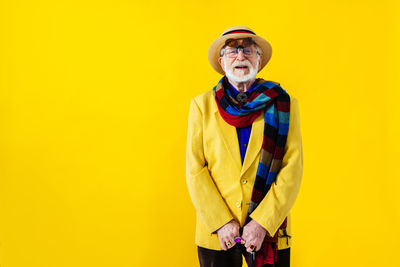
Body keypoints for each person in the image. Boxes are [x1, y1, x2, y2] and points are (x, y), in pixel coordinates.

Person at [186, 26, 303, 267]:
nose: (241, 56)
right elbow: (195, 169)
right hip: (216, 232)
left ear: (259, 60)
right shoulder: (202, 106)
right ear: (222, 61)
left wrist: (262, 222)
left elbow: (293, 167)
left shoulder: (284, 104)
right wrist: (221, 222)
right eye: (232, 51)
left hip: (269, 229)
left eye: (248, 50)